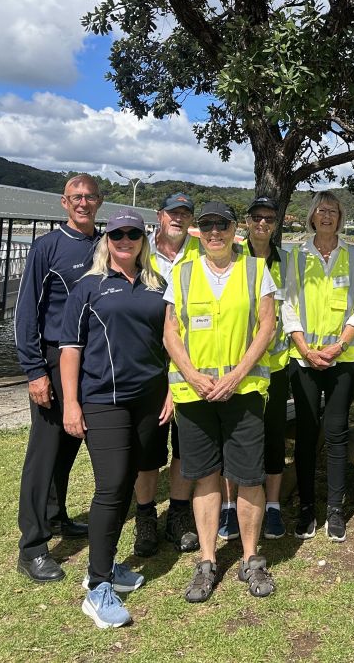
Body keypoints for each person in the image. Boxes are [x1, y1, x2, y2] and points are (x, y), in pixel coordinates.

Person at [60, 209, 171, 629]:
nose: (125, 240)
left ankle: (102, 568)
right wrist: (71, 403)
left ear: (143, 239)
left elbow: (169, 341)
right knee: (110, 487)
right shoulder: (88, 287)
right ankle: (98, 587)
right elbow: (70, 348)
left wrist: (172, 390)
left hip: (150, 399)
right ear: (107, 240)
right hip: (104, 401)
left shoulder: (156, 285)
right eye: (117, 234)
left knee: (133, 478)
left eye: (133, 233)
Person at [163, 201, 277, 603]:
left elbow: (267, 327)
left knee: (248, 476)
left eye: (222, 225)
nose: (215, 232)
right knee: (206, 474)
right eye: (207, 225)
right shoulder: (182, 272)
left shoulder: (256, 270)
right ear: (199, 229)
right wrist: (192, 376)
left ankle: (250, 557)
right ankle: (208, 561)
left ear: (235, 230)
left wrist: (236, 375)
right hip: (194, 395)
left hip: (241, 391)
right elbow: (171, 333)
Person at [14, 173, 103, 581]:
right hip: (52, 358)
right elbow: (26, 312)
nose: (83, 203)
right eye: (76, 197)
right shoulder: (47, 247)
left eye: (90, 197)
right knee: (44, 451)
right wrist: (35, 370)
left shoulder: (107, 244)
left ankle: (55, 514)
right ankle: (32, 545)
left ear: (98, 202)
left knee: (70, 447)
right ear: (64, 203)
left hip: (89, 360)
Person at [283, 191, 354, 543]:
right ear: (311, 216)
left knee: (336, 431)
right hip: (304, 358)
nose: (326, 216)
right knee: (307, 431)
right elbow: (287, 306)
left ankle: (334, 508)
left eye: (333, 210)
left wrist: (340, 344)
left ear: (340, 217)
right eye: (321, 210)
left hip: (341, 358)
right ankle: (305, 508)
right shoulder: (296, 256)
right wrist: (305, 348)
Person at [130, 192, 200, 557]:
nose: (179, 218)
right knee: (148, 448)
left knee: (185, 446)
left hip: (188, 361)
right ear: (160, 215)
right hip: (147, 363)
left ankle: (178, 513)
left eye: (185, 214)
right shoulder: (139, 250)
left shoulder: (199, 253)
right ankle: (145, 518)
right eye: (173, 213)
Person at [243, 195, 289, 539]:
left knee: (273, 438)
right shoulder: (230, 258)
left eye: (269, 219)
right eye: (257, 217)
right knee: (238, 439)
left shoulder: (287, 261)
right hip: (239, 367)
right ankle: (232, 507)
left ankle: (273, 506)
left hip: (276, 366)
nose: (262, 223)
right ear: (246, 221)